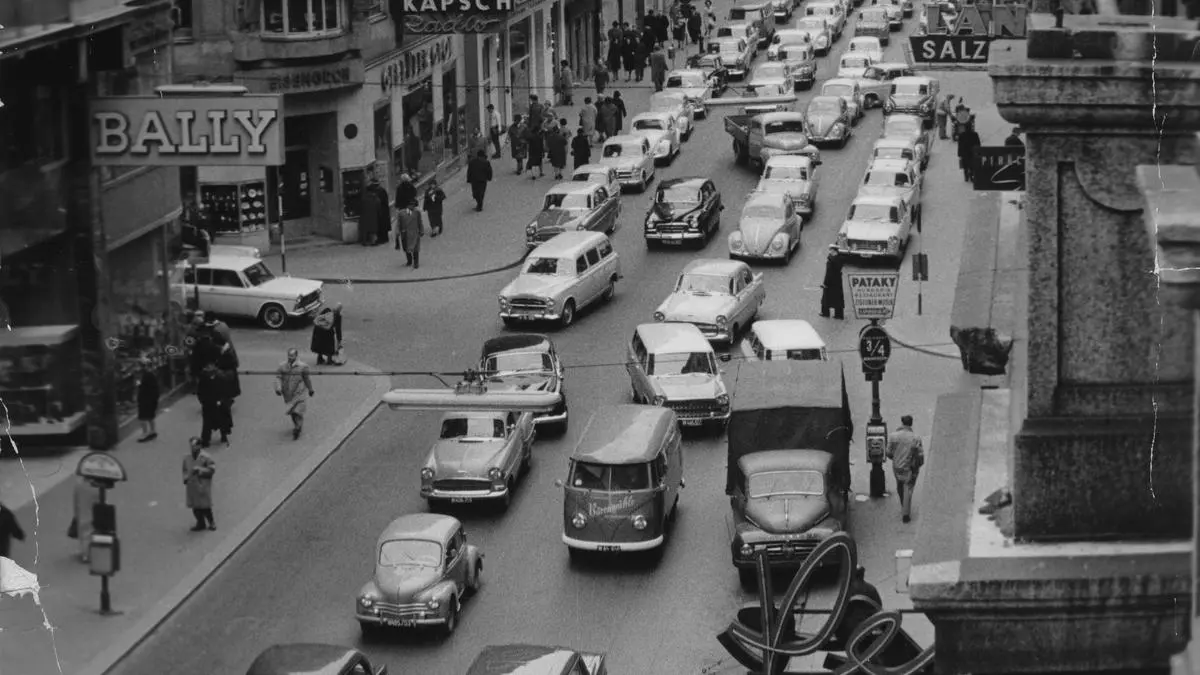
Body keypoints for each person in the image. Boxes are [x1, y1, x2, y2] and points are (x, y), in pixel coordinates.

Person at [887, 415, 925, 523]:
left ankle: (904, 504)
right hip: (909, 468)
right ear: (911, 424)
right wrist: (918, 465)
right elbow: (920, 455)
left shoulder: (893, 436)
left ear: (902, 423)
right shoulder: (916, 438)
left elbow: (888, 452)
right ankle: (905, 514)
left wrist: (895, 459)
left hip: (896, 467)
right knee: (908, 488)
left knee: (899, 485)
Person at [275, 347, 315, 440]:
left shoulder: (303, 367)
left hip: (300, 393)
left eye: (292, 356)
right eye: (289, 355)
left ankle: (298, 428)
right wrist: (278, 388)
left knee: (298, 411)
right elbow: (278, 377)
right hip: (289, 394)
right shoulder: (282, 366)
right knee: (293, 412)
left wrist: (310, 389)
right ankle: (297, 426)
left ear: (296, 356)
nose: (290, 357)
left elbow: (307, 379)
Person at [183, 437, 217, 531]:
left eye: (194, 446)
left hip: (202, 484)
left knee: (205, 507)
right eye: (191, 446)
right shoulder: (187, 457)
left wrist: (200, 470)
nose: (192, 448)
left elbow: (212, 469)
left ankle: (211, 522)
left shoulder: (206, 457)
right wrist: (185, 478)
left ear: (199, 446)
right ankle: (200, 523)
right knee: (195, 507)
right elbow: (185, 469)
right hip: (192, 485)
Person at [197, 363, 226, 448]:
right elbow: (200, 392)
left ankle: (223, 435)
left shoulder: (220, 378)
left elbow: (224, 390)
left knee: (221, 420)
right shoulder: (204, 379)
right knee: (207, 423)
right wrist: (203, 401)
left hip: (218, 403)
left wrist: (221, 400)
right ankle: (205, 440)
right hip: (208, 404)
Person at [72, 476, 100, 562]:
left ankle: (85, 553)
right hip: (92, 511)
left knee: (82, 533)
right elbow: (98, 499)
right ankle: (88, 553)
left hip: (81, 511)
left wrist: (76, 512)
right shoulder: (96, 486)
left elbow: (75, 499)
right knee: (91, 532)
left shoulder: (79, 484)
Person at [136, 358, 159, 442]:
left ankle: (145, 433)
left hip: (146, 400)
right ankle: (152, 431)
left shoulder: (146, 375)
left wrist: (139, 385)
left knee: (142, 417)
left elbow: (144, 388)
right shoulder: (152, 374)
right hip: (152, 400)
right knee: (150, 416)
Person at [397, 200, 425, 268]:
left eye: (414, 205)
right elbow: (398, 224)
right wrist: (398, 232)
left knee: (416, 249)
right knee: (406, 248)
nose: (413, 207)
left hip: (414, 232)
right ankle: (409, 261)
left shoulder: (417, 212)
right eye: (411, 205)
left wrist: (421, 230)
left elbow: (419, 222)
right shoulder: (401, 213)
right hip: (405, 233)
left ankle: (416, 262)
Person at [820, 246, 845, 319]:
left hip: (830, 283)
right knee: (838, 298)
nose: (829, 251)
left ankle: (825, 313)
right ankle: (839, 314)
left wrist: (825, 283)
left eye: (830, 250)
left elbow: (828, 273)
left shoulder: (830, 261)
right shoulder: (840, 259)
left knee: (826, 298)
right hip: (838, 281)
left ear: (834, 251)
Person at [368, 173, 391, 246]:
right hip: (382, 210)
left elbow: (381, 201)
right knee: (382, 225)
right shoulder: (380, 190)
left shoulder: (379, 191)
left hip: (381, 210)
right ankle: (384, 238)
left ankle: (383, 238)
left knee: (382, 225)